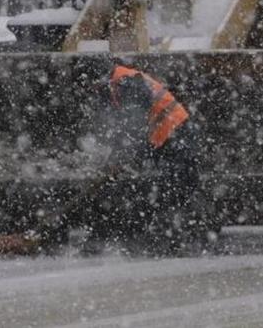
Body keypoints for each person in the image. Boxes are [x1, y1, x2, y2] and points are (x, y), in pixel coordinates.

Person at [83, 63, 209, 254]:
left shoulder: (126, 82)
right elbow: (126, 127)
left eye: (92, 86)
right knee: (172, 188)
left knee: (176, 188)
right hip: (168, 137)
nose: (92, 91)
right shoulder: (119, 82)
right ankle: (178, 238)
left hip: (177, 134)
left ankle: (183, 239)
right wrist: (117, 156)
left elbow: (134, 123)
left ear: (99, 78)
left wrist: (126, 154)